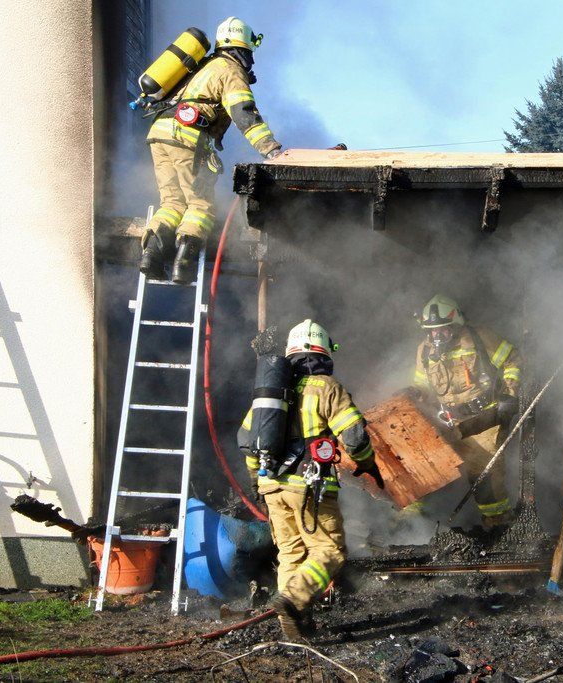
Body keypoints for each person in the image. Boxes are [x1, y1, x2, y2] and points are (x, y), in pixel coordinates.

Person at [240, 320, 382, 640]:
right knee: (330, 551)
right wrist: (367, 464)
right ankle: (293, 600)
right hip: (309, 486)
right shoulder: (326, 387)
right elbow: (355, 437)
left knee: (291, 553)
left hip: (271, 484)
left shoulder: (272, 393)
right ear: (324, 352)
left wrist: (256, 481)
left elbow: (247, 440)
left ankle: (294, 628)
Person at [140, 16, 282, 284]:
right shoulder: (230, 70)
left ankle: (151, 257)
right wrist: (271, 149)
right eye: (249, 52)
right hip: (187, 138)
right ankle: (183, 267)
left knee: (171, 204)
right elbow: (244, 114)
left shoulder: (203, 65)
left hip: (159, 134)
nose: (251, 60)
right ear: (243, 48)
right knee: (200, 206)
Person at [411, 295, 522, 529]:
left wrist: (510, 394)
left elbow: (513, 360)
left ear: (455, 325)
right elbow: (422, 385)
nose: (436, 335)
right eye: (432, 331)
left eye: (442, 329)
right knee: (421, 463)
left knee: (483, 470)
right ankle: (410, 523)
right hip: (449, 420)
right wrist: (413, 392)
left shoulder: (480, 338)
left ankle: (498, 523)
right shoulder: (424, 351)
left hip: (484, 419)